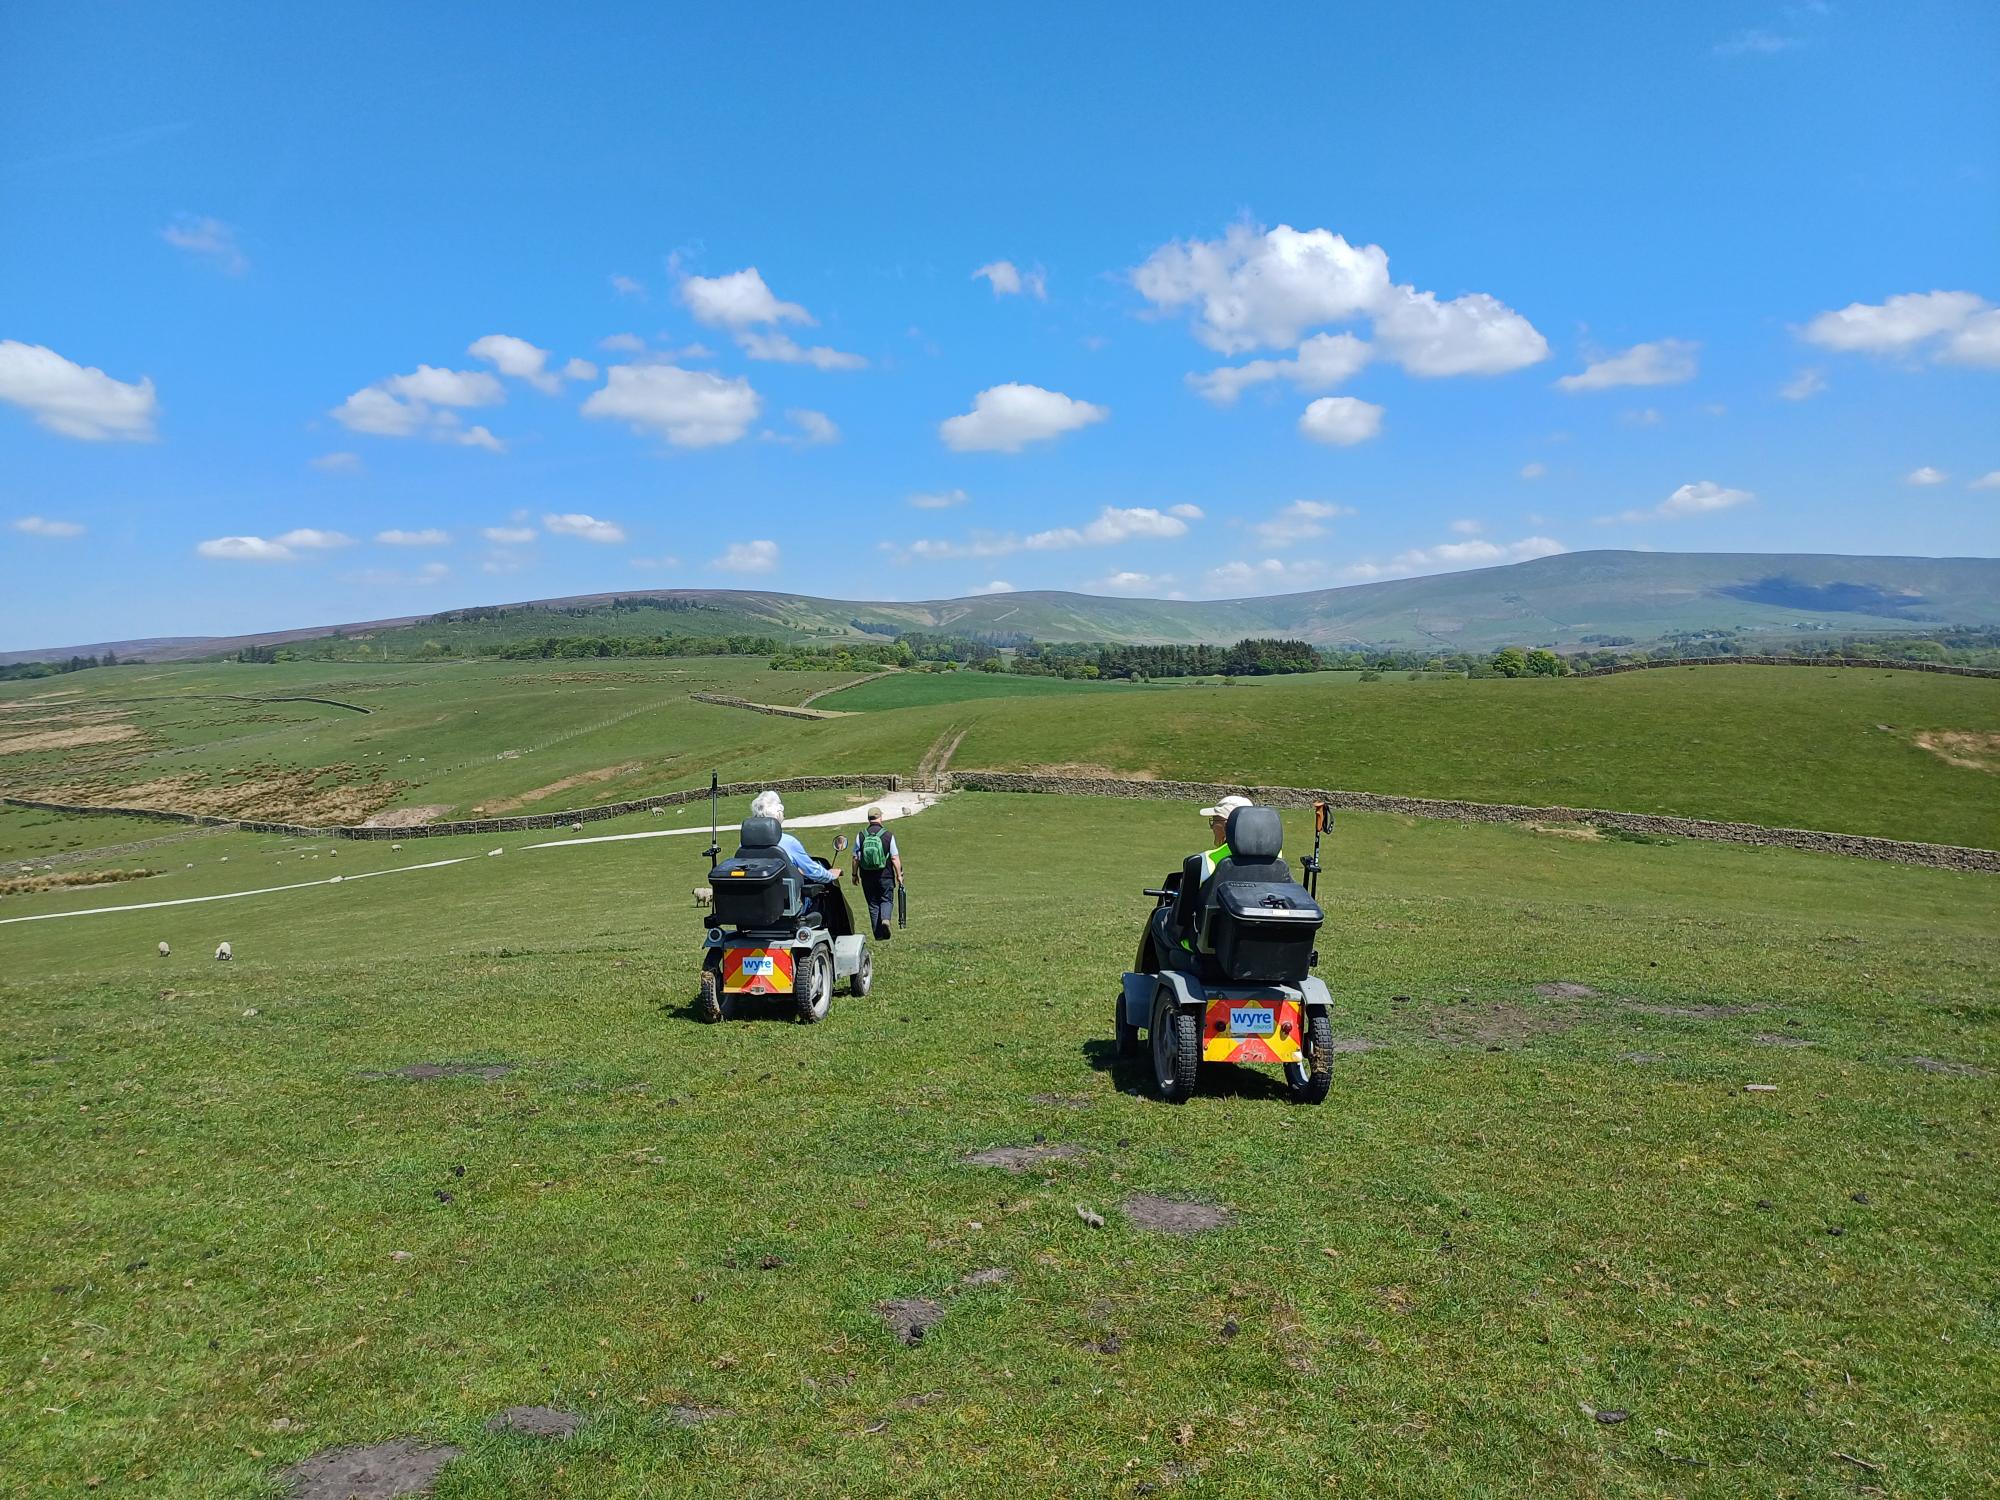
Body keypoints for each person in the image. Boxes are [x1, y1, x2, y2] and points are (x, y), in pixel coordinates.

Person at [749, 790, 844, 887]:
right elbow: (813, 871)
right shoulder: (788, 842)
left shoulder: (745, 843)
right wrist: (831, 875)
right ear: (778, 814)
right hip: (788, 900)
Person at [849, 805, 903, 940]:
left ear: (869, 819)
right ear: (880, 817)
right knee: (886, 900)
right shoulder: (888, 835)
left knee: (873, 904)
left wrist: (854, 874)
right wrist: (899, 875)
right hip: (886, 875)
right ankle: (885, 920)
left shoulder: (861, 835)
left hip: (867, 875)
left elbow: (855, 857)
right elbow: (894, 857)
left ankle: (878, 935)